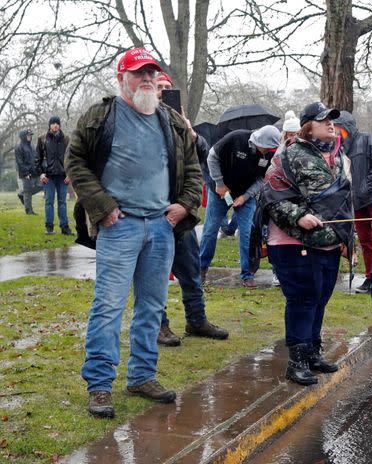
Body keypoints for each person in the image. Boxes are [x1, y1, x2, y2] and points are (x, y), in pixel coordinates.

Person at [67, 47, 203, 418]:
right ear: (121, 78)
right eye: (138, 73)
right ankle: (99, 384)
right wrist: (103, 207)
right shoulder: (102, 115)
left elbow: (192, 166)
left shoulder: (172, 121)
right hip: (119, 227)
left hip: (161, 227)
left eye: (152, 73)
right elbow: (75, 161)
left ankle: (142, 375)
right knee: (108, 307)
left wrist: (185, 205)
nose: (147, 79)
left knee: (152, 306)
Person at [261, 102, 353, 386]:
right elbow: (270, 194)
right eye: (323, 120)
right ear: (307, 126)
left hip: (328, 241)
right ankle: (296, 361)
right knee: (303, 298)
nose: (330, 124)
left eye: (332, 120)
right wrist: (299, 216)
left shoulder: (337, 157)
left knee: (321, 298)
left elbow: (343, 201)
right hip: (291, 242)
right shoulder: (288, 154)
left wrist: (347, 238)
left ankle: (312, 352)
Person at [153, 71, 229, 346]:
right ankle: (158, 326)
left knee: (191, 270)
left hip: (182, 211)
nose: (162, 91)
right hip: (155, 211)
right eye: (158, 87)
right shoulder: (143, 122)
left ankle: (196, 320)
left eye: (166, 87)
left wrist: (189, 129)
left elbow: (202, 153)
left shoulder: (179, 123)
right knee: (156, 274)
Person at [200, 125, 281, 288]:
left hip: (245, 194)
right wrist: (219, 183)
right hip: (220, 191)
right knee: (210, 230)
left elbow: (261, 180)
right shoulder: (236, 138)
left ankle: (247, 273)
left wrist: (245, 197)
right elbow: (211, 157)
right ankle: (201, 269)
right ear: (259, 141)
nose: (268, 151)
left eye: (271, 148)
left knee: (248, 233)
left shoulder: (271, 155)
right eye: (266, 147)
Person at [333, 111, 372, 294]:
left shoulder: (365, 139)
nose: (335, 131)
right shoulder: (340, 148)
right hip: (357, 203)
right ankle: (371, 277)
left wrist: (364, 189)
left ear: (346, 126)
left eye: (338, 127)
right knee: (365, 241)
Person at [37, 116, 73, 235]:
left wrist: (70, 174)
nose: (55, 125)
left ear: (60, 125)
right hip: (48, 177)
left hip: (63, 177)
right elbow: (37, 159)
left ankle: (64, 227)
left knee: (62, 202)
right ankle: (49, 227)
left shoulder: (66, 139)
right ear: (49, 125)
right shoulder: (42, 139)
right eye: (53, 123)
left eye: (57, 123)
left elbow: (71, 158)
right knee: (49, 202)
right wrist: (41, 173)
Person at [14, 129, 39, 215]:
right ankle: (29, 211)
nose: (30, 137)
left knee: (41, 185)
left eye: (31, 135)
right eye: (28, 135)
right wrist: (26, 173)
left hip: (34, 171)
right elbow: (20, 162)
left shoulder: (32, 146)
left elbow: (36, 157)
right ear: (23, 136)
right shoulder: (19, 147)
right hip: (25, 173)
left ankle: (22, 194)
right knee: (27, 191)